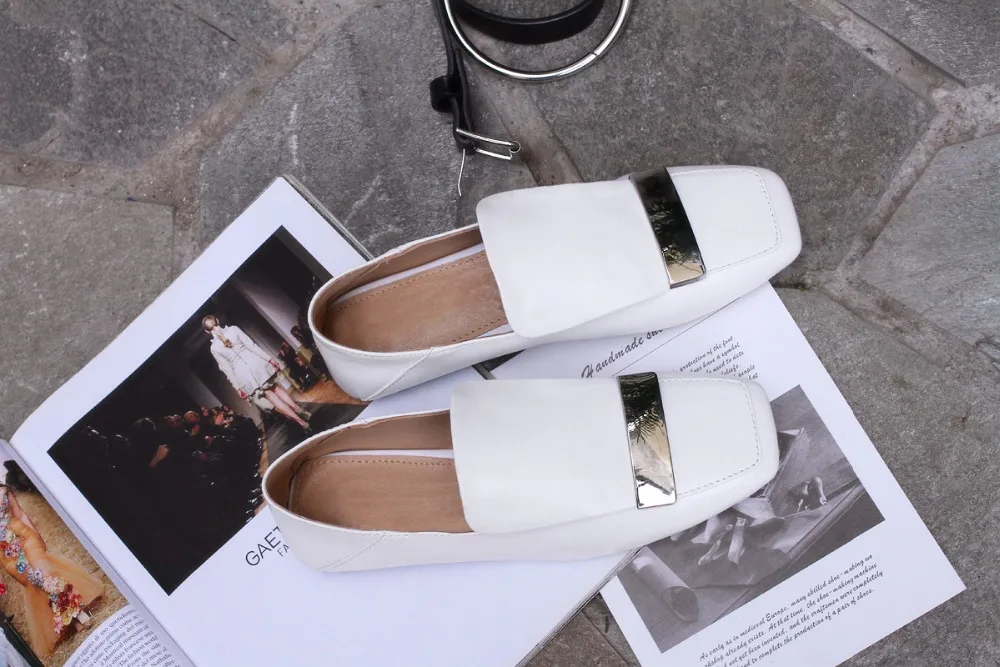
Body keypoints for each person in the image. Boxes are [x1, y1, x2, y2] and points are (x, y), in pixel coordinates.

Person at [0, 486, 103, 657]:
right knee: (39, 585)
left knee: (46, 577)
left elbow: (20, 514)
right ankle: (72, 619)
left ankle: (78, 616)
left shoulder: (3, 491)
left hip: (25, 538)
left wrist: (37, 536)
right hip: (9, 555)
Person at [202, 316, 311, 430]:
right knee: (276, 389)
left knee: (271, 397)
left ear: (207, 331)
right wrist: (269, 359)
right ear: (217, 321)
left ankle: (302, 423)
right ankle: (299, 410)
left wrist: (237, 387)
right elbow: (252, 346)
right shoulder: (233, 329)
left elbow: (227, 369)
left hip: (243, 374)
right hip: (256, 363)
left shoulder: (214, 348)